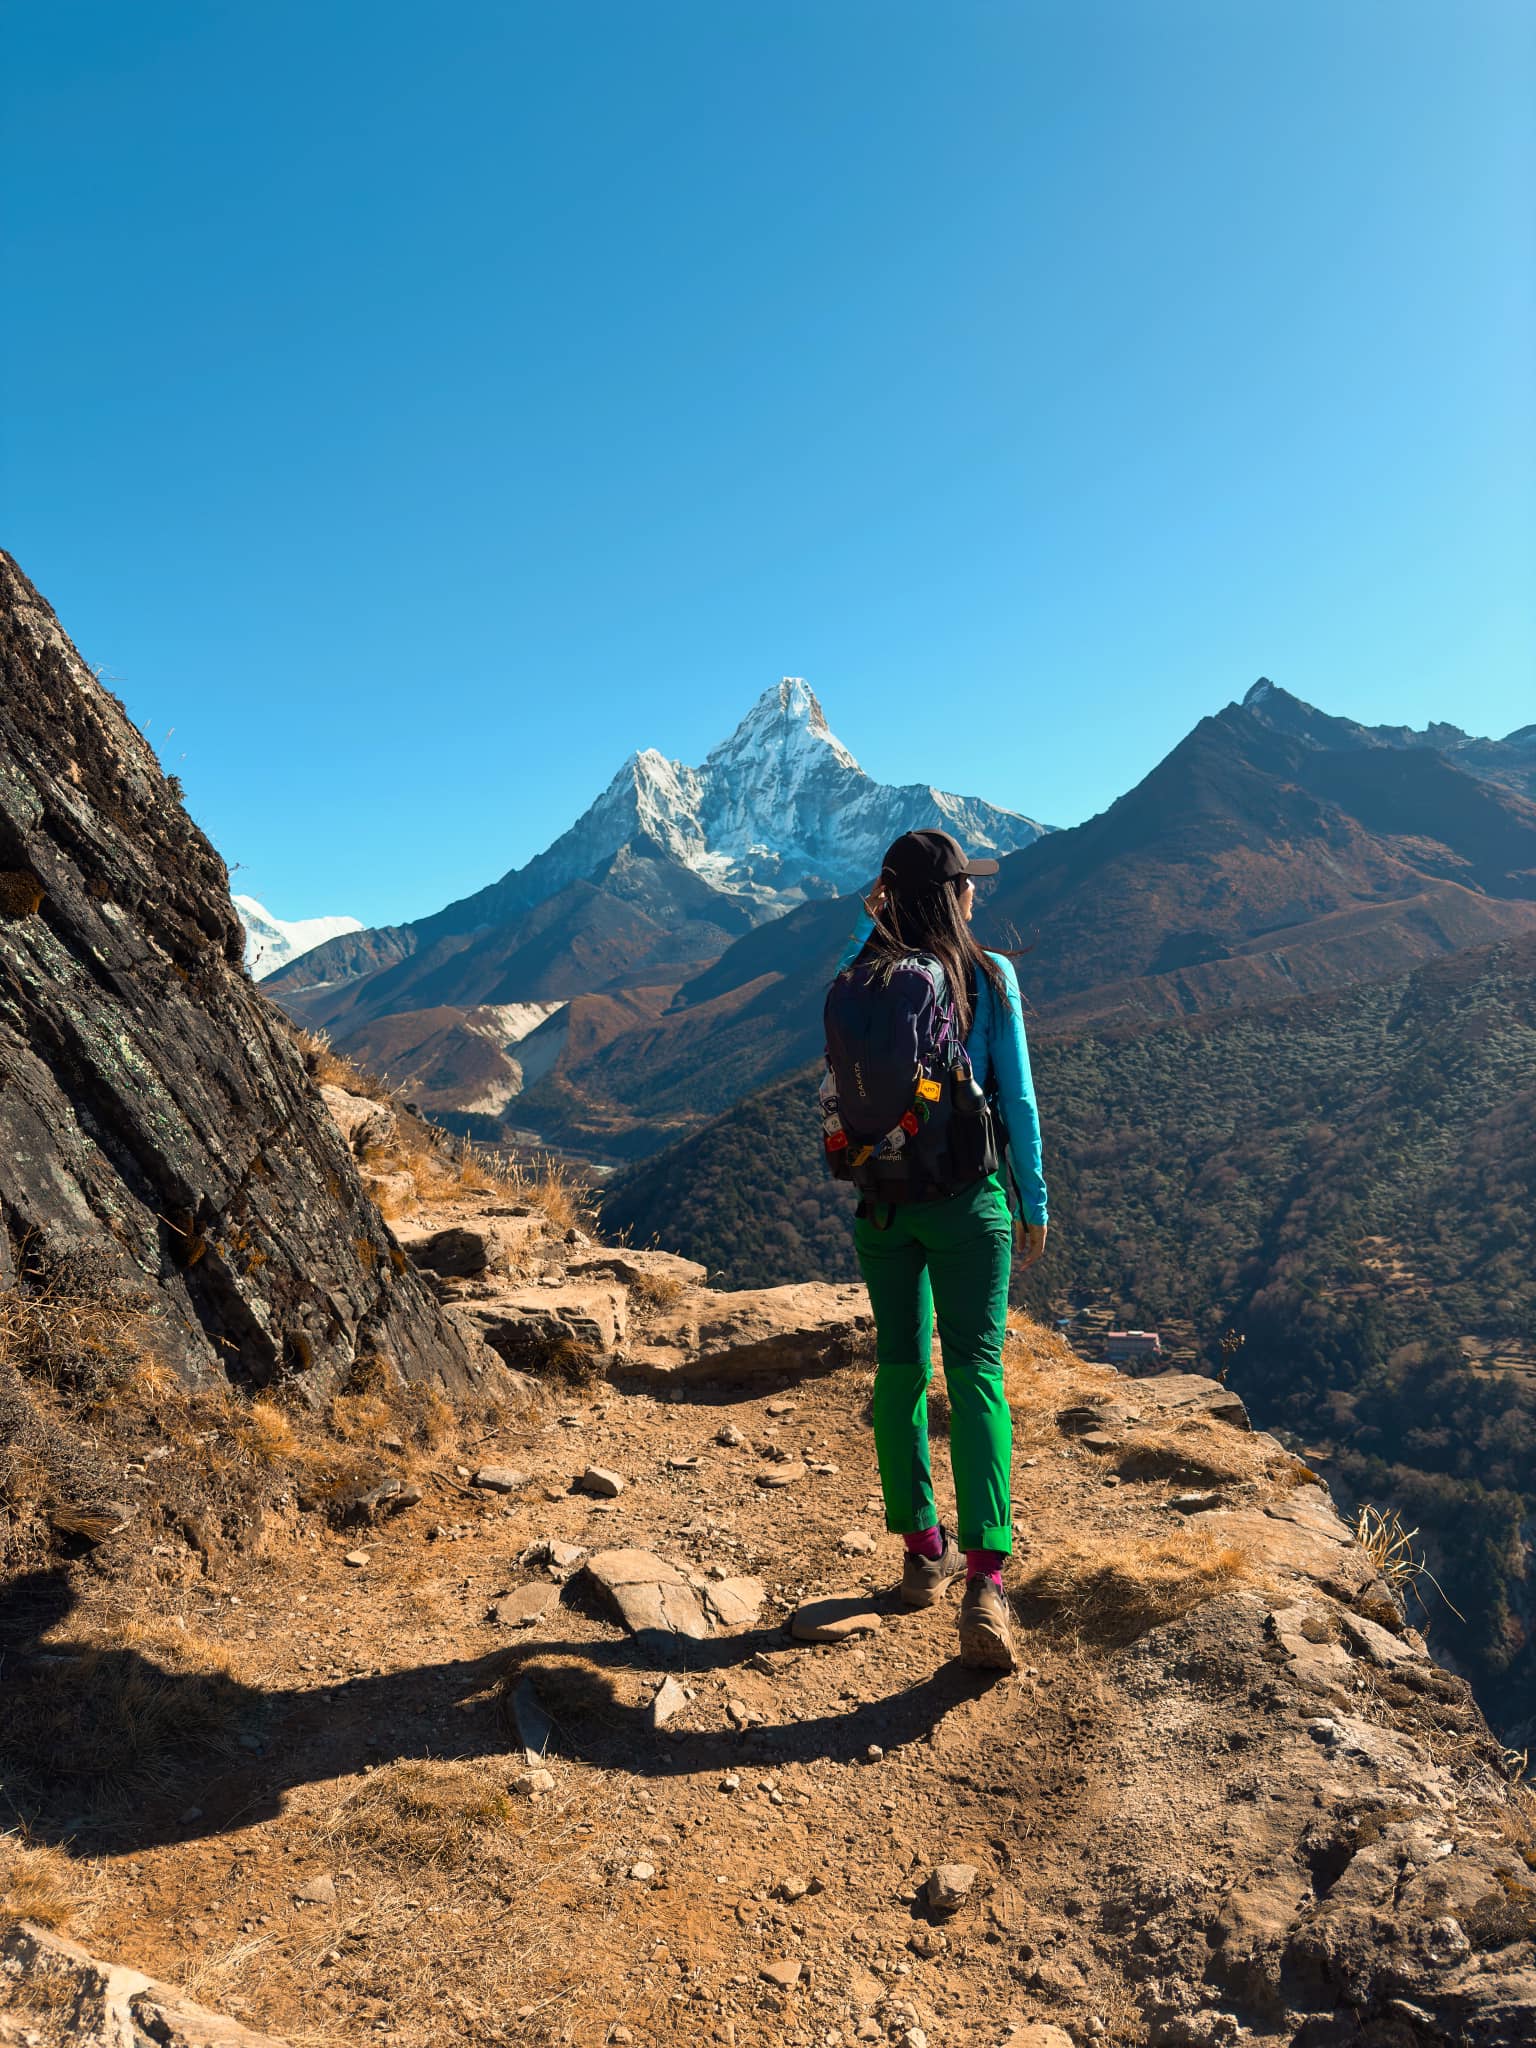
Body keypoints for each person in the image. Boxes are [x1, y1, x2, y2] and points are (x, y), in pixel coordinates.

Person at [832, 828, 1048, 1671]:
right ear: (956, 894)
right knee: (976, 1374)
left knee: (897, 1371)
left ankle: (924, 1551)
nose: (976, 897)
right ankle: (986, 1582)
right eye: (968, 886)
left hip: (883, 1206)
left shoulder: (862, 977)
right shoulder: (990, 977)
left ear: (889, 896)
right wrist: (1033, 1199)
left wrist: (869, 921)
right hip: (968, 1204)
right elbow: (1018, 1097)